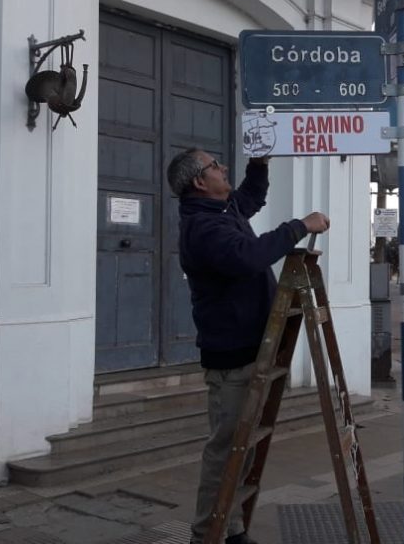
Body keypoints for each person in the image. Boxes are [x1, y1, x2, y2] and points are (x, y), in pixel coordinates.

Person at [167, 148, 330, 544]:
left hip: (252, 347)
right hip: (232, 354)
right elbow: (247, 257)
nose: (223, 168)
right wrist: (298, 226)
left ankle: (232, 526)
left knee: (244, 446)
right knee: (226, 449)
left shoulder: (222, 212)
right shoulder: (203, 228)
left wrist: (259, 164)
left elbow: (251, 197)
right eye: (215, 166)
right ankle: (206, 533)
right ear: (200, 182)